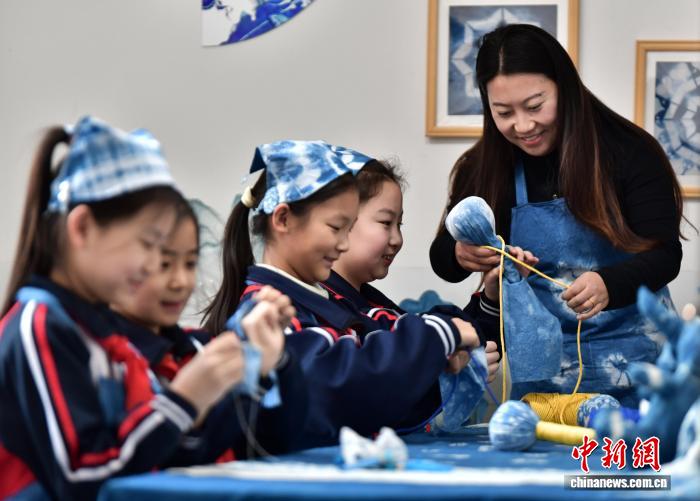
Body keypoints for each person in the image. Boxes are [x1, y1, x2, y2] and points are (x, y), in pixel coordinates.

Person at [0, 117, 294, 499]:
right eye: (147, 245)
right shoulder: (39, 325)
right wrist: (184, 397)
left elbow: (167, 454)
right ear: (83, 228)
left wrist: (244, 378)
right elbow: (81, 477)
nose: (154, 266)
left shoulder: (98, 330)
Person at [429, 24, 684, 406]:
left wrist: (609, 283)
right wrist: (459, 253)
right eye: (503, 112)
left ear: (565, 87)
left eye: (535, 106)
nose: (523, 125)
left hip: (643, 370)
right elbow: (442, 258)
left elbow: (665, 255)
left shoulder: (630, 152)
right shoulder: (484, 168)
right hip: (546, 382)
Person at [204, 140, 482, 448]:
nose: (344, 244)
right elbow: (340, 387)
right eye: (337, 228)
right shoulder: (267, 311)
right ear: (283, 220)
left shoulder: (309, 301)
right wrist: (436, 338)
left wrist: (438, 358)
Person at [109, 199, 308, 463]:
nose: (180, 282)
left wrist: (274, 363)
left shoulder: (198, 348)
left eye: (190, 264)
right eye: (164, 264)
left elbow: (269, 443)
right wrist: (188, 397)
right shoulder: (106, 359)